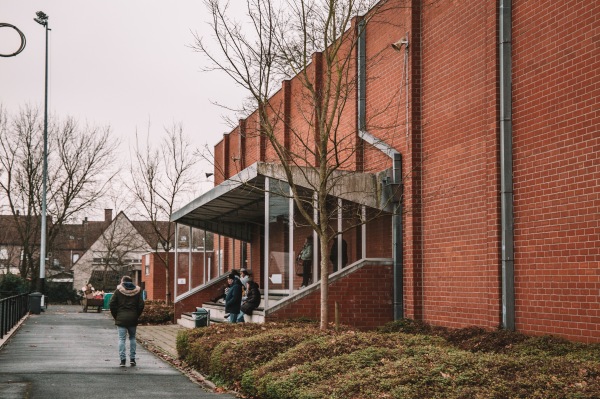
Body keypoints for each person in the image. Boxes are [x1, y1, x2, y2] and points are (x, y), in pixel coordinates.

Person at [109, 275, 145, 367]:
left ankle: (123, 360)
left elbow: (112, 304)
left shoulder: (118, 291)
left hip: (121, 318)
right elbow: (141, 305)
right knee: (132, 338)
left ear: (123, 282)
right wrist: (136, 315)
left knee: (121, 339)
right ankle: (132, 359)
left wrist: (116, 316)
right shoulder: (138, 291)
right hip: (133, 318)